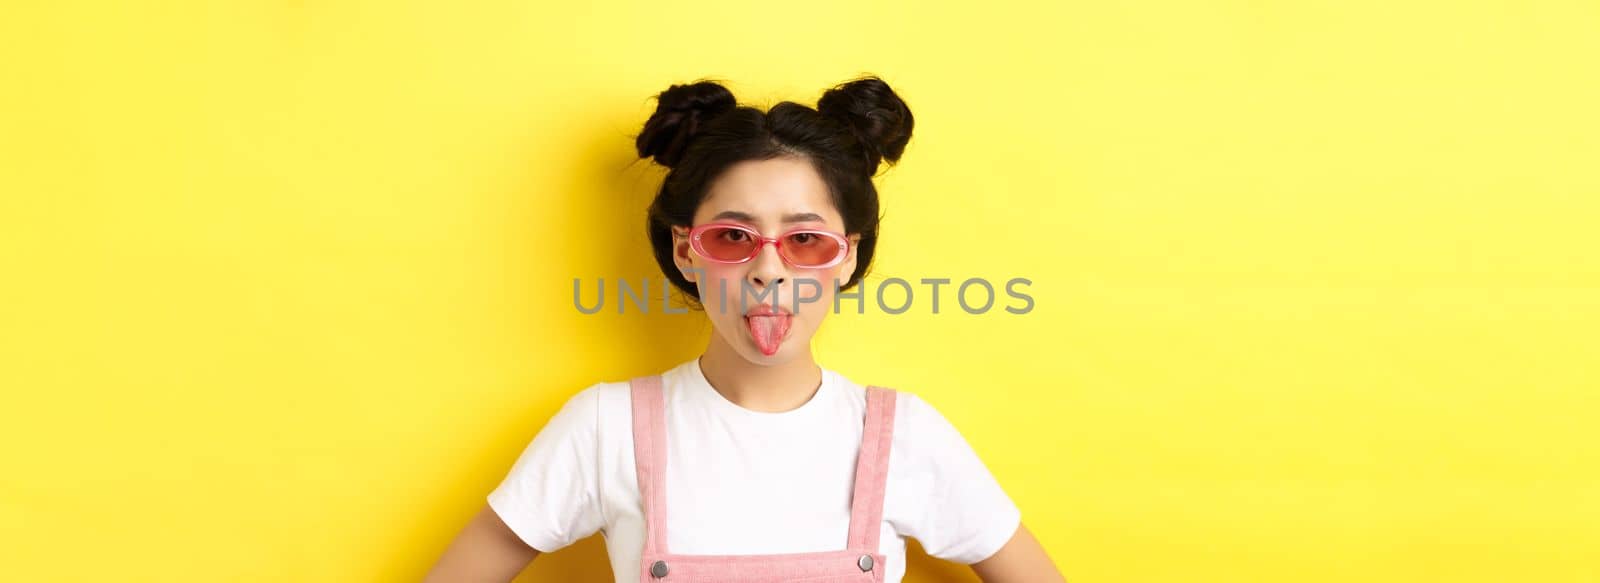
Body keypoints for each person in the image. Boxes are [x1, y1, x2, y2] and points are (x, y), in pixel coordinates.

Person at [424, 75, 1066, 582]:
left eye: (805, 240)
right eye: (733, 236)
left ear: (847, 255)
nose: (768, 272)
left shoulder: (905, 436)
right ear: (685, 250)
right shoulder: (603, 428)